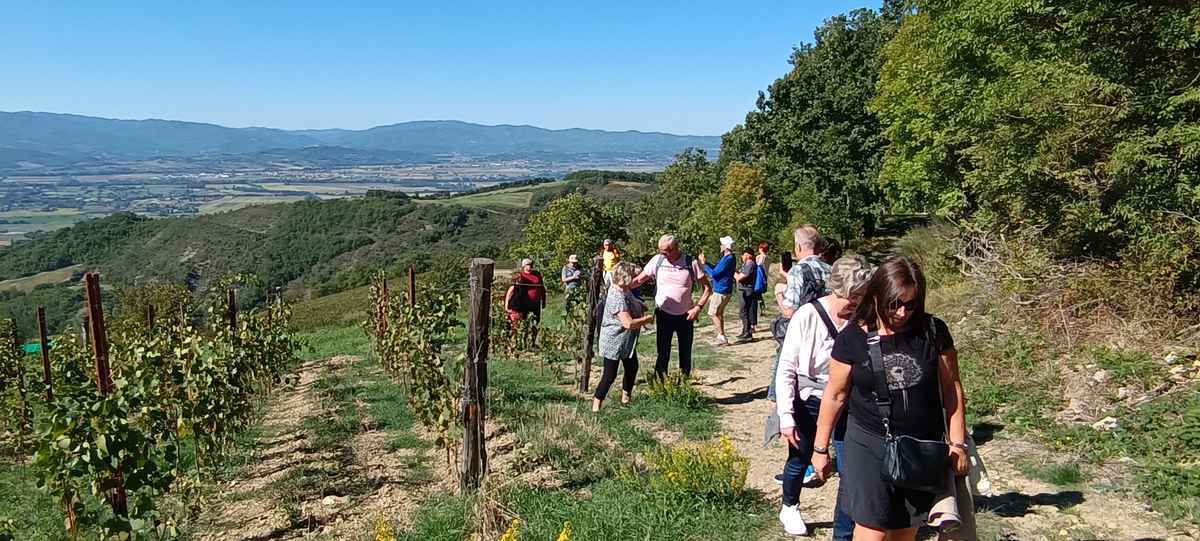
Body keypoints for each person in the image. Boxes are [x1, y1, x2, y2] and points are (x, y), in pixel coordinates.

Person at [811, 256, 970, 541]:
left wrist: (957, 444)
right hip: (868, 443)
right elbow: (835, 395)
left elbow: (951, 388)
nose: (902, 312)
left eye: (910, 304)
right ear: (877, 296)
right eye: (894, 303)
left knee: (904, 529)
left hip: (919, 445)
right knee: (871, 532)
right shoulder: (853, 338)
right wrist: (820, 449)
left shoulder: (933, 332)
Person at [774, 256, 872, 537]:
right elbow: (786, 368)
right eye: (853, 298)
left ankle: (845, 532)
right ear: (838, 290)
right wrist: (786, 417)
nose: (856, 304)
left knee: (849, 467)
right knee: (800, 457)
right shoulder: (807, 315)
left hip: (847, 399)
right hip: (810, 398)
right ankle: (790, 505)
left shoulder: (863, 318)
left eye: (862, 297)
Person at [630, 234, 713, 380]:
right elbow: (639, 280)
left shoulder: (690, 262)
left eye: (665, 251)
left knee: (685, 352)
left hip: (686, 315)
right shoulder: (658, 260)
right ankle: (659, 385)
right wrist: (619, 288)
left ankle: (684, 386)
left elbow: (707, 288)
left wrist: (698, 308)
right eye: (660, 251)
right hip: (663, 314)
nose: (662, 254)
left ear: (676, 248)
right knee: (663, 352)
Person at [767, 225, 833, 401]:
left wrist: (779, 293)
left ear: (798, 247)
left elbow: (789, 311)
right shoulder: (831, 269)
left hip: (803, 334)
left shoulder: (799, 270)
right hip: (829, 333)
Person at [593, 261, 653, 412]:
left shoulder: (624, 290)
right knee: (610, 374)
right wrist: (646, 320)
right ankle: (596, 405)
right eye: (633, 276)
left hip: (625, 341)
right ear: (626, 278)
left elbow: (631, 301)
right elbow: (628, 323)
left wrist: (639, 304)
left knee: (632, 367)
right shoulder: (616, 296)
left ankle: (626, 399)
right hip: (614, 341)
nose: (636, 280)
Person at [698, 235, 736, 346]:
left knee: (713, 313)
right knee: (719, 313)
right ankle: (721, 335)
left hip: (721, 290)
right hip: (726, 289)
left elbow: (714, 274)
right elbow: (717, 269)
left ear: (725, 246)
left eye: (722, 244)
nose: (720, 246)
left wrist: (704, 264)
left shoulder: (727, 259)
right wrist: (707, 263)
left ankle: (721, 336)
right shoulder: (730, 258)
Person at [504, 258, 546, 344]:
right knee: (525, 323)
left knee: (535, 322)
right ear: (524, 266)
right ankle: (524, 341)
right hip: (525, 303)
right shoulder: (521, 276)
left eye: (531, 264)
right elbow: (513, 290)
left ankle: (533, 342)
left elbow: (542, 288)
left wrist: (543, 300)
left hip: (536, 302)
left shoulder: (537, 274)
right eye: (528, 264)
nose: (530, 266)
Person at [733, 247, 758, 342]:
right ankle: (745, 331)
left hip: (746, 290)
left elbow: (740, 278)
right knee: (745, 311)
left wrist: (734, 273)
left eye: (743, 255)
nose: (742, 257)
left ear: (747, 254)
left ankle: (747, 332)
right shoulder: (748, 264)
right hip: (745, 290)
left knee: (744, 312)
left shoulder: (749, 264)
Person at [755, 242, 771, 331]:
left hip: (758, 279)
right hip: (765, 278)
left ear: (761, 248)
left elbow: (758, 265)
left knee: (756, 295)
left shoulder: (760, 257)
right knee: (759, 295)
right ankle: (762, 307)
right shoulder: (769, 258)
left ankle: (758, 311)